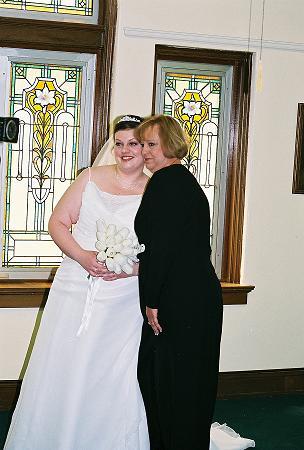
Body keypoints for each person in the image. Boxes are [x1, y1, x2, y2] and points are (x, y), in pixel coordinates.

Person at [4, 115, 151, 450]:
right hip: (76, 285)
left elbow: (163, 252)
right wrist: (83, 256)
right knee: (65, 360)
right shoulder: (90, 178)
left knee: (115, 369)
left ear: (145, 148)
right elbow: (58, 221)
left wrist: (131, 269)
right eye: (119, 143)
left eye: (133, 143)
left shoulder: (155, 189)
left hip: (124, 298)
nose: (125, 150)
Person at [134, 114, 223, 450]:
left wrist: (152, 301)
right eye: (143, 144)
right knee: (190, 385)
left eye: (151, 144)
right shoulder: (183, 180)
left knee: (171, 385)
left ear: (171, 145)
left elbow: (161, 249)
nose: (144, 151)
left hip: (179, 299)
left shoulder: (165, 182)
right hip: (196, 295)